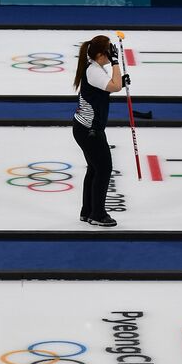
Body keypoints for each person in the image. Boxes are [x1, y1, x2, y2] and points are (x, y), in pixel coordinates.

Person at [72, 34, 130, 228]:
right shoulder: (94, 71)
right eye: (108, 53)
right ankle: (98, 213)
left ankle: (87, 211)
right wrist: (116, 63)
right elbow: (114, 86)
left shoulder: (94, 68)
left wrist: (120, 78)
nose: (110, 55)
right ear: (99, 55)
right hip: (90, 131)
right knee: (103, 169)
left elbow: (115, 84)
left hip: (85, 128)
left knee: (94, 169)